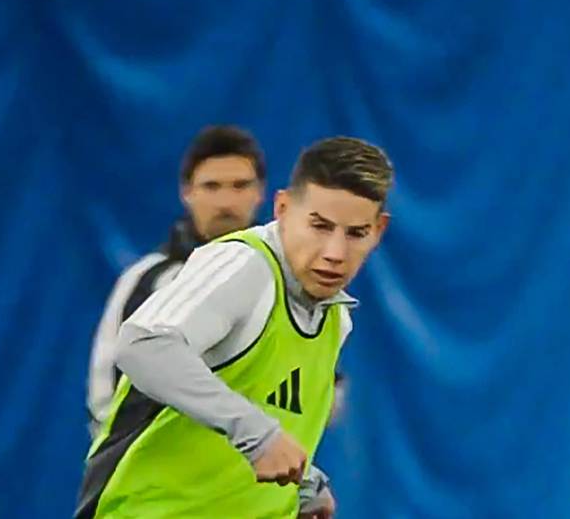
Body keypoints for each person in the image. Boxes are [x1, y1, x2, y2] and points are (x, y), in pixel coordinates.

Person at [76, 136, 394, 519]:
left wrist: (304, 482)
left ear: (378, 230)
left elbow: (265, 410)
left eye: (355, 233)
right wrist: (257, 435)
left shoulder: (335, 316)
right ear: (282, 208)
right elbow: (142, 345)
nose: (334, 253)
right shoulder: (245, 266)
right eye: (319, 226)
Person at [87, 125, 266, 431]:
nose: (225, 202)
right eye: (212, 186)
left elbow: (323, 388)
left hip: (263, 472)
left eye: (239, 185)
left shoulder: (291, 282)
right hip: (166, 471)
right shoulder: (147, 281)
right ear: (186, 193)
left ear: (260, 192)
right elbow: (106, 391)